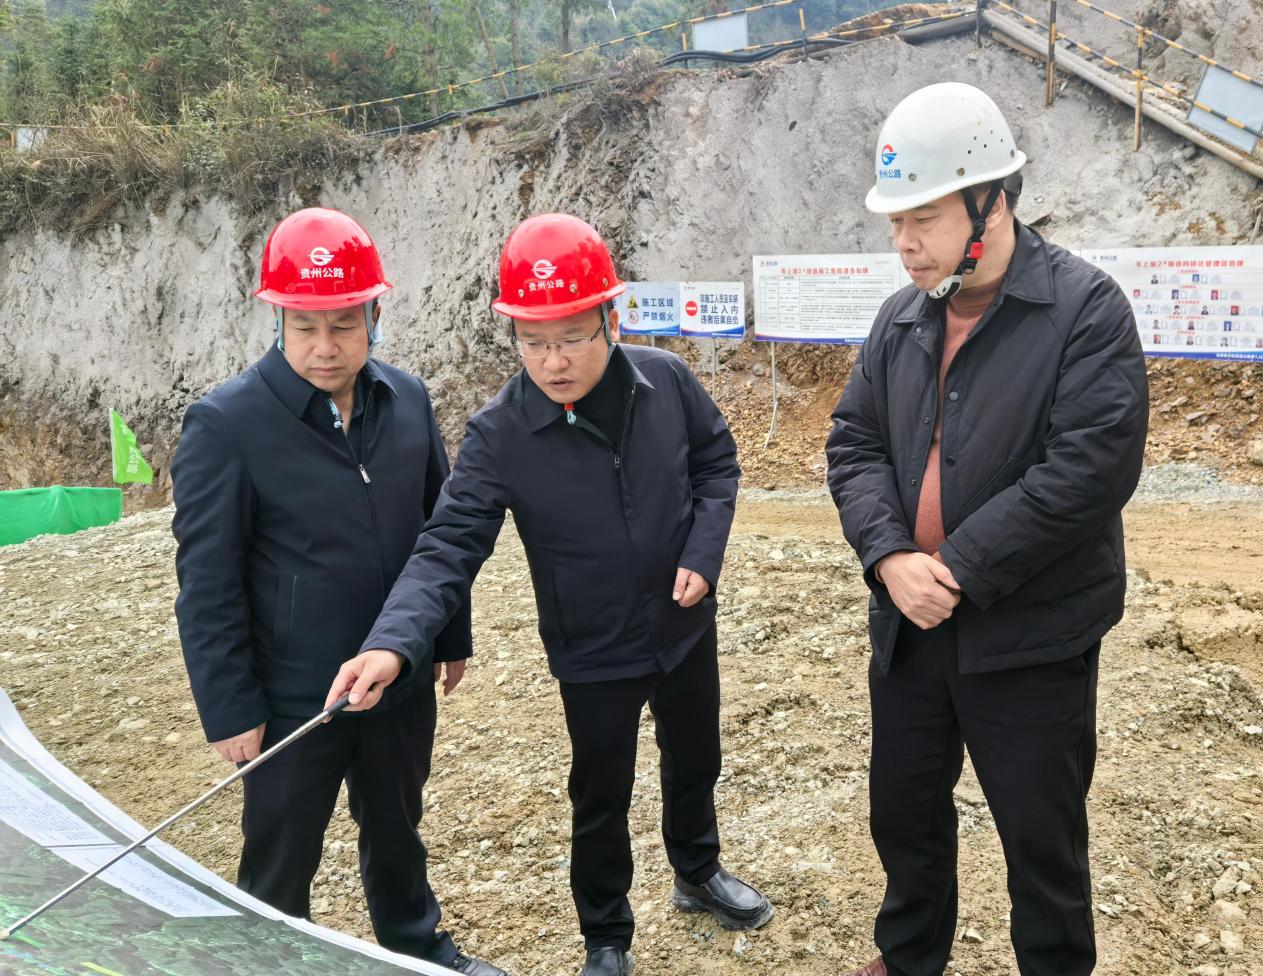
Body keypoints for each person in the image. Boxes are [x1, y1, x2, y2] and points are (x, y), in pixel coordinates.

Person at [324, 213, 774, 976]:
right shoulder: (500, 434)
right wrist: (393, 643)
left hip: (683, 624)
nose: (553, 361)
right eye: (532, 342)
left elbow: (715, 463)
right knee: (599, 795)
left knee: (695, 756)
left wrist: (703, 554)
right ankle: (606, 935)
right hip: (591, 645)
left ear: (610, 320)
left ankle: (697, 870)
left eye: (570, 337)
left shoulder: (664, 381)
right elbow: (446, 546)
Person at [825, 83, 1149, 976]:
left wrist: (957, 566)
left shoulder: (1083, 310)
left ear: (991, 202)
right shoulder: (900, 317)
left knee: (1041, 840)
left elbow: (1088, 469)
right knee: (903, 817)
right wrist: (890, 556)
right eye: (895, 221)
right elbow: (852, 443)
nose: (903, 243)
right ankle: (906, 958)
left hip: (1029, 637)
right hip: (908, 625)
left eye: (922, 219)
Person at [171, 207, 504, 976]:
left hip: (397, 677)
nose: (325, 347)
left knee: (397, 824)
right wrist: (229, 706)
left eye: (344, 326)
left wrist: (448, 637)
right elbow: (207, 582)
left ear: (374, 315)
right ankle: (270, 960)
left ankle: (415, 944)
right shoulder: (227, 424)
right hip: (293, 696)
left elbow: (440, 533)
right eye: (305, 327)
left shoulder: (407, 400)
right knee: (281, 846)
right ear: (277, 319)